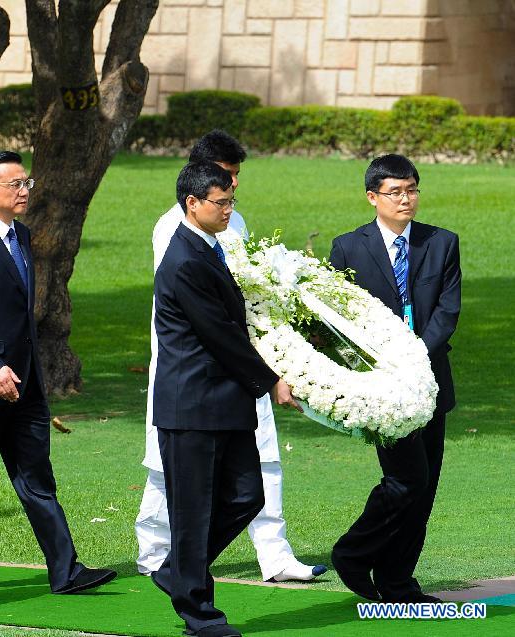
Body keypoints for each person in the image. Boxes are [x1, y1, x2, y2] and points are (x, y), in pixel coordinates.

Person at [136, 129, 326, 583]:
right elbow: (204, 314)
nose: (232, 192)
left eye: (234, 183)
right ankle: (158, 557)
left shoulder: (230, 221)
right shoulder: (174, 233)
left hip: (242, 366)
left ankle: (272, 555)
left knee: (257, 470)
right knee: (176, 474)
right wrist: (268, 374)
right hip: (197, 371)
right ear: (195, 191)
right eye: (225, 181)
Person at [0, 151, 116, 595]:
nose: (25, 189)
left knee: (37, 476)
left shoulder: (22, 236)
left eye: (26, 181)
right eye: (14, 184)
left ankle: (66, 571)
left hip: (27, 383)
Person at [151, 161, 300, 637]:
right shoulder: (185, 258)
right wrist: (272, 379)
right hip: (193, 404)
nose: (228, 210)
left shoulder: (208, 247)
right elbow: (220, 335)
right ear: (191, 204)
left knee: (245, 496)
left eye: (231, 201)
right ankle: (200, 614)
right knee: (193, 513)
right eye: (221, 202)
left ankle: (178, 570)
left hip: (223, 402)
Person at [329, 154, 460, 603]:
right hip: (382, 390)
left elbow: (447, 310)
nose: (406, 199)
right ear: (373, 197)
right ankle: (352, 552)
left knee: (424, 489)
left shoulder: (442, 243)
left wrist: (416, 355)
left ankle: (397, 581)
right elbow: (337, 318)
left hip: (429, 382)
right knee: (407, 480)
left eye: (412, 190)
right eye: (395, 192)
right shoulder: (347, 248)